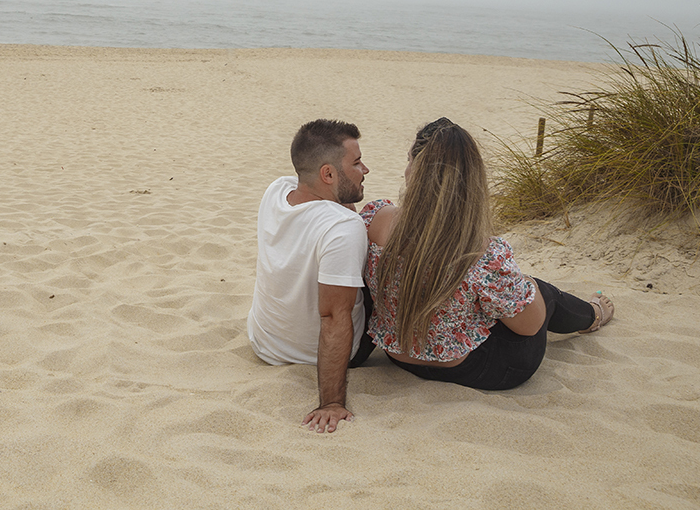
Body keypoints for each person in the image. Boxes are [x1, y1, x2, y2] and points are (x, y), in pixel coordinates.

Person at [361, 118, 614, 391]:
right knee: (541, 292)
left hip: (399, 357)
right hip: (475, 370)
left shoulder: (375, 220)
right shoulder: (481, 252)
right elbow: (529, 327)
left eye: (409, 160)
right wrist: (527, 284)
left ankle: (584, 311)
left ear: (415, 170)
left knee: (502, 294)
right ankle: (593, 314)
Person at [247, 119, 375, 434]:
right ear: (328, 174)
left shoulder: (277, 190)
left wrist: (341, 198)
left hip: (264, 343)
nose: (366, 170)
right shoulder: (342, 228)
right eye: (356, 163)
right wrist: (331, 402)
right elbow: (333, 316)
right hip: (315, 352)